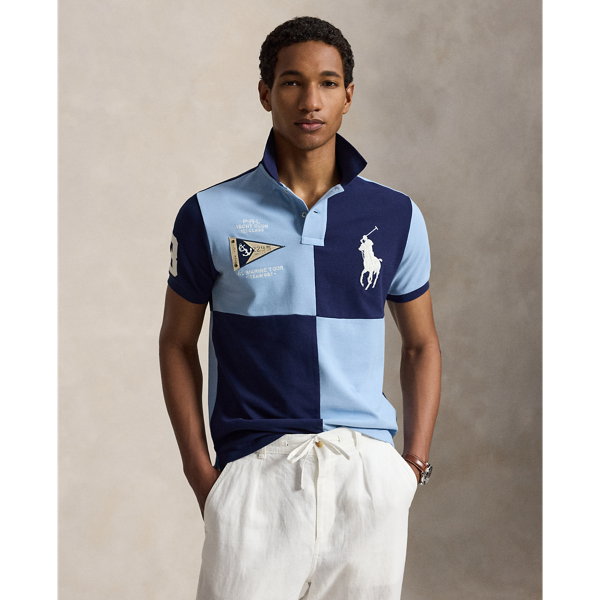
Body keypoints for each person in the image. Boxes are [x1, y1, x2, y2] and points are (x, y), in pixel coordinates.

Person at [159, 16, 441, 600]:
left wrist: (410, 467)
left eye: (328, 83)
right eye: (292, 82)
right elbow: (176, 343)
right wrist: (202, 474)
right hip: (255, 473)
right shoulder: (210, 213)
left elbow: (421, 345)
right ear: (266, 92)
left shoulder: (396, 216)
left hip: (367, 479)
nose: (310, 101)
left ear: (348, 96)